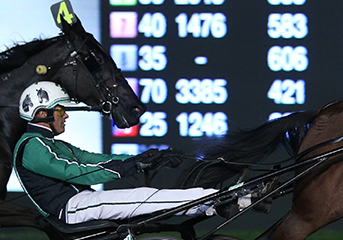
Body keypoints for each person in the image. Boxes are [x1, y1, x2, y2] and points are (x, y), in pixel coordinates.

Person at [14, 81, 225, 224]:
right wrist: (129, 167)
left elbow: (98, 159)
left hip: (82, 202)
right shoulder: (31, 147)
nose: (66, 116)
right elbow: (74, 172)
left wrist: (144, 159)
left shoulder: (55, 145)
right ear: (41, 114)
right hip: (71, 209)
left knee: (144, 197)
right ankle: (216, 200)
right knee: (142, 197)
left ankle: (210, 201)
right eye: (61, 110)